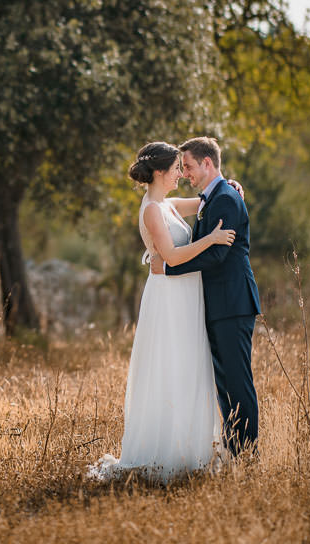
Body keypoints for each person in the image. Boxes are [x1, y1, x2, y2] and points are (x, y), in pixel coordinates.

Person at [88, 141, 234, 483]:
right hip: (169, 296)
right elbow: (171, 256)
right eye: (175, 170)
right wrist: (211, 239)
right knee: (170, 366)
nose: (181, 174)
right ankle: (165, 453)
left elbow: (202, 200)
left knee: (188, 365)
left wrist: (231, 186)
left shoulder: (166, 205)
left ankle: (189, 448)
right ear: (159, 173)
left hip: (185, 295)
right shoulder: (152, 210)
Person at [161, 136, 261, 456]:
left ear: (207, 163)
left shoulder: (226, 198)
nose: (186, 173)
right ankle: (235, 452)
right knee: (224, 387)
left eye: (188, 166)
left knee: (238, 383)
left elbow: (217, 255)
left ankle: (247, 456)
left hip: (233, 303)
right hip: (217, 306)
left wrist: (170, 267)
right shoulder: (211, 197)